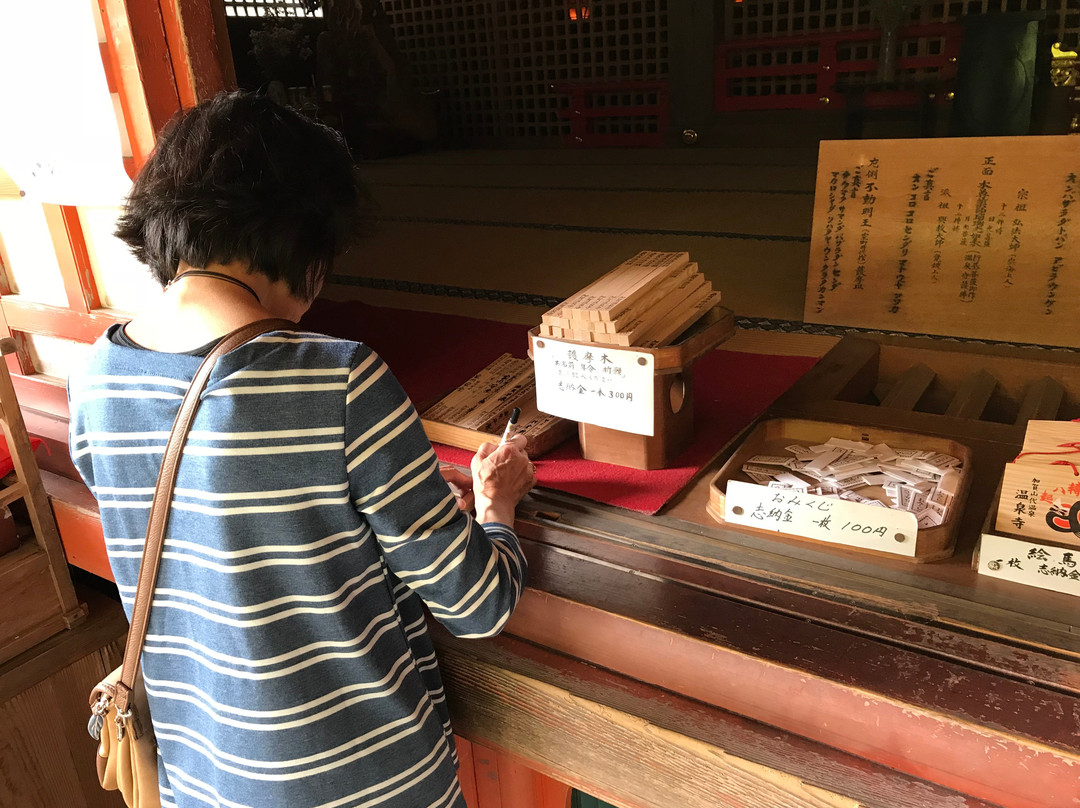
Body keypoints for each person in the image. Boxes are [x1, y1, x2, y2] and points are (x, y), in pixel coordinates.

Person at [68, 91, 535, 808]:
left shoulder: (95, 376)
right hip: (367, 787)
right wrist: (497, 509)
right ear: (301, 235)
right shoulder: (338, 378)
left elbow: (223, 539)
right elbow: (476, 602)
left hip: (204, 785)